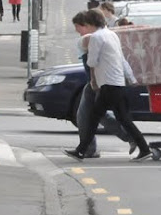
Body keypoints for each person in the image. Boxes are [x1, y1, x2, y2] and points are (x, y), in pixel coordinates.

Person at [65, 9, 152, 162]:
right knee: (122, 119)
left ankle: (81, 151)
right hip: (117, 83)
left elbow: (92, 61)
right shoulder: (112, 35)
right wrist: (131, 78)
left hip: (107, 84)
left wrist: (93, 78)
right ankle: (144, 149)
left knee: (93, 118)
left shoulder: (97, 38)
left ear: (90, 23)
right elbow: (122, 59)